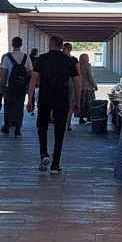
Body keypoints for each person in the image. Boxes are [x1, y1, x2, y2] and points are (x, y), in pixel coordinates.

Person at [26, 35, 81, 174]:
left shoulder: (42, 59)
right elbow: (77, 82)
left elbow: (33, 80)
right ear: (62, 46)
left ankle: (44, 154)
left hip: (45, 97)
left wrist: (30, 100)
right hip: (61, 98)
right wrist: (77, 102)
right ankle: (55, 165)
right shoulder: (68, 60)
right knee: (59, 130)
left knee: (42, 127)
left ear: (50, 44)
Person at [0, 36, 32, 136]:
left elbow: (3, 73)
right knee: (19, 108)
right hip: (21, 87)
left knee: (8, 107)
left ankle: (7, 127)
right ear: (21, 45)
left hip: (10, 86)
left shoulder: (7, 57)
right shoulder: (26, 57)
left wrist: (1, 85)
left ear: (12, 44)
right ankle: (18, 129)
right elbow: (30, 72)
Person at [77, 53, 97, 124]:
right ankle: (89, 117)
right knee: (89, 103)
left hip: (80, 87)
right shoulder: (88, 66)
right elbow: (90, 77)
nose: (88, 58)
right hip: (88, 87)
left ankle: (81, 118)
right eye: (87, 57)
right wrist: (95, 85)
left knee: (81, 103)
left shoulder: (78, 65)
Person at [62, 43, 79, 130]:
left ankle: (68, 122)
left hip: (71, 82)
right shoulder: (60, 58)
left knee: (71, 103)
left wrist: (79, 85)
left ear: (69, 49)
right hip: (63, 82)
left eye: (64, 49)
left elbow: (78, 73)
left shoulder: (74, 60)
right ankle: (66, 121)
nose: (63, 50)